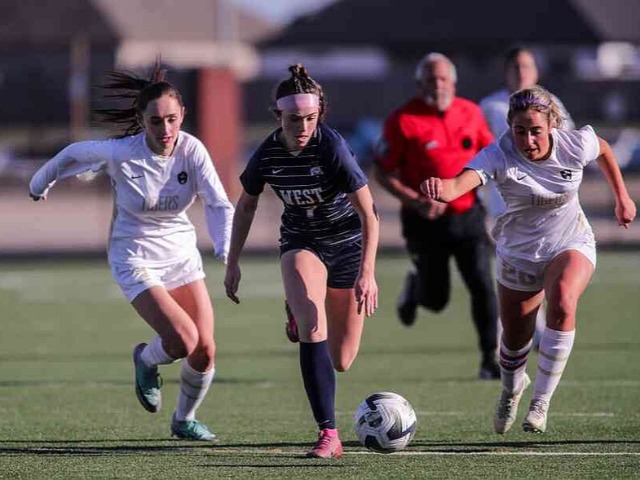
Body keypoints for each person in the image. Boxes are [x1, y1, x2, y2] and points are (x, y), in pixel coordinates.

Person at [29, 64, 234, 441]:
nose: (165, 129)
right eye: (155, 121)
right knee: (182, 340)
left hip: (181, 255)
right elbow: (72, 154)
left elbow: (218, 203)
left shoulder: (192, 150)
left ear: (183, 115)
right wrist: (40, 183)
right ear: (141, 121)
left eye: (172, 119)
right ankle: (145, 359)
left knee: (204, 350)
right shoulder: (123, 153)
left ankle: (184, 420)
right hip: (134, 256)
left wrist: (226, 250)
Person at [420, 85, 636, 434]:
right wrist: (441, 188)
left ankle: (541, 402)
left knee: (563, 300)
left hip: (570, 240)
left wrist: (622, 197)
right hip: (519, 254)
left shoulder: (574, 144)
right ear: (510, 127)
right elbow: (459, 185)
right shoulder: (498, 154)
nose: (528, 140)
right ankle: (511, 389)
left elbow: (605, 150)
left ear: (551, 125)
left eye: (535, 130)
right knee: (514, 340)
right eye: (520, 131)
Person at [224, 64, 379, 458]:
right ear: (278, 116)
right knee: (312, 324)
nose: (304, 127)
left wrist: (367, 273)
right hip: (301, 242)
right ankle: (329, 433)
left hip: (346, 245)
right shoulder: (267, 153)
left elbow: (369, 213)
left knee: (342, 359)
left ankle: (300, 309)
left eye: (311, 118)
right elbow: (246, 206)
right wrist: (232, 261)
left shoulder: (332, 148)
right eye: (294, 119)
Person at [374, 52, 500, 380]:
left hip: (467, 215)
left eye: (443, 79)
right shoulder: (402, 120)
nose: (438, 85)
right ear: (420, 84)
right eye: (431, 79)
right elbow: (382, 172)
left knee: (482, 285)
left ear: (453, 83)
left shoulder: (471, 112)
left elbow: (492, 157)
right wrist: (416, 201)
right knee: (436, 299)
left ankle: (490, 358)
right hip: (424, 221)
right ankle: (414, 289)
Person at [480, 47, 576, 347]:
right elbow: (478, 154)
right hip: (506, 205)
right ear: (505, 72)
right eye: (516, 66)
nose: (521, 72)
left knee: (545, 266)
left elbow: (569, 146)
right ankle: (511, 332)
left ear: (536, 71)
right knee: (512, 268)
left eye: (526, 66)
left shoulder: (551, 104)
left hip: (548, 205)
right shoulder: (491, 107)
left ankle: (536, 328)